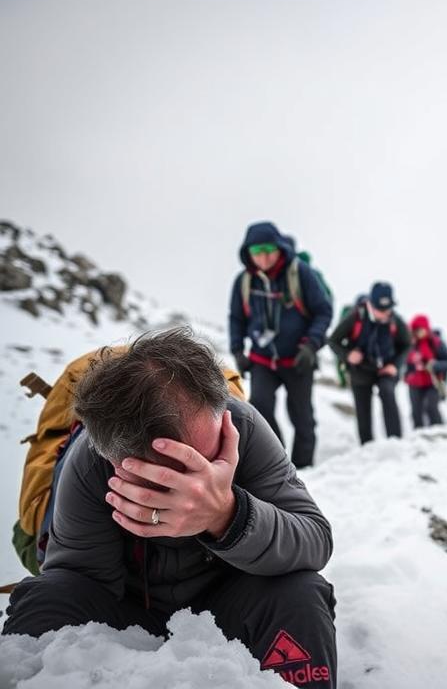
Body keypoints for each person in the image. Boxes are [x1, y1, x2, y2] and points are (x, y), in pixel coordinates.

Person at [2, 328, 337, 688]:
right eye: (172, 470)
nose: (197, 482)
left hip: (232, 601)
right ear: (115, 458)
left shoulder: (241, 426)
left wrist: (227, 516)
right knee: (44, 598)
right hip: (131, 612)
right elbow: (78, 582)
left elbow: (314, 540)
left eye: (206, 457)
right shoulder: (89, 463)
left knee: (301, 594)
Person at [228, 222, 332, 468]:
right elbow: (236, 318)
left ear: (279, 248)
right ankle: (278, 463)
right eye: (256, 252)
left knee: (302, 416)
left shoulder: (300, 273)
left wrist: (311, 345)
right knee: (259, 410)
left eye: (268, 250)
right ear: (248, 253)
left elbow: (323, 311)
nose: (263, 257)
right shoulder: (244, 281)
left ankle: (304, 468)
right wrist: (238, 350)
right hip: (262, 360)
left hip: (298, 358)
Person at [328, 282, 411, 444]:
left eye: (388, 309)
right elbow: (333, 340)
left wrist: (395, 365)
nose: (384, 314)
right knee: (363, 408)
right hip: (360, 369)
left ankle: (395, 442)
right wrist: (348, 355)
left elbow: (406, 344)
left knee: (387, 392)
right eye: (380, 309)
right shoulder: (355, 316)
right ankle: (367, 446)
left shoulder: (395, 320)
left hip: (386, 368)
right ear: (370, 304)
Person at [404, 314, 447, 428]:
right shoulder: (411, 344)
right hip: (415, 383)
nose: (417, 333)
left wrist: (434, 365)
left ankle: (438, 432)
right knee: (416, 411)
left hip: (434, 382)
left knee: (431, 407)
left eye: (419, 329)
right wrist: (407, 375)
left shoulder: (436, 342)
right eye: (415, 330)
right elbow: (407, 363)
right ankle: (419, 434)